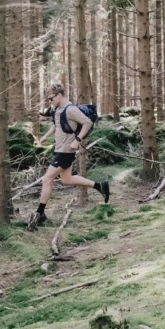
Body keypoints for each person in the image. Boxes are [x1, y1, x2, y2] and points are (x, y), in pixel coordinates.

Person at [35, 83, 110, 225]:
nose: (49, 101)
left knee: (47, 180)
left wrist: (77, 140)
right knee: (67, 180)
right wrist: (45, 136)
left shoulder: (71, 109)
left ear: (59, 96)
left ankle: (40, 214)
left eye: (51, 98)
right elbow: (57, 124)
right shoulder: (58, 109)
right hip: (59, 149)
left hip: (65, 151)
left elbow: (87, 123)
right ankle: (100, 186)